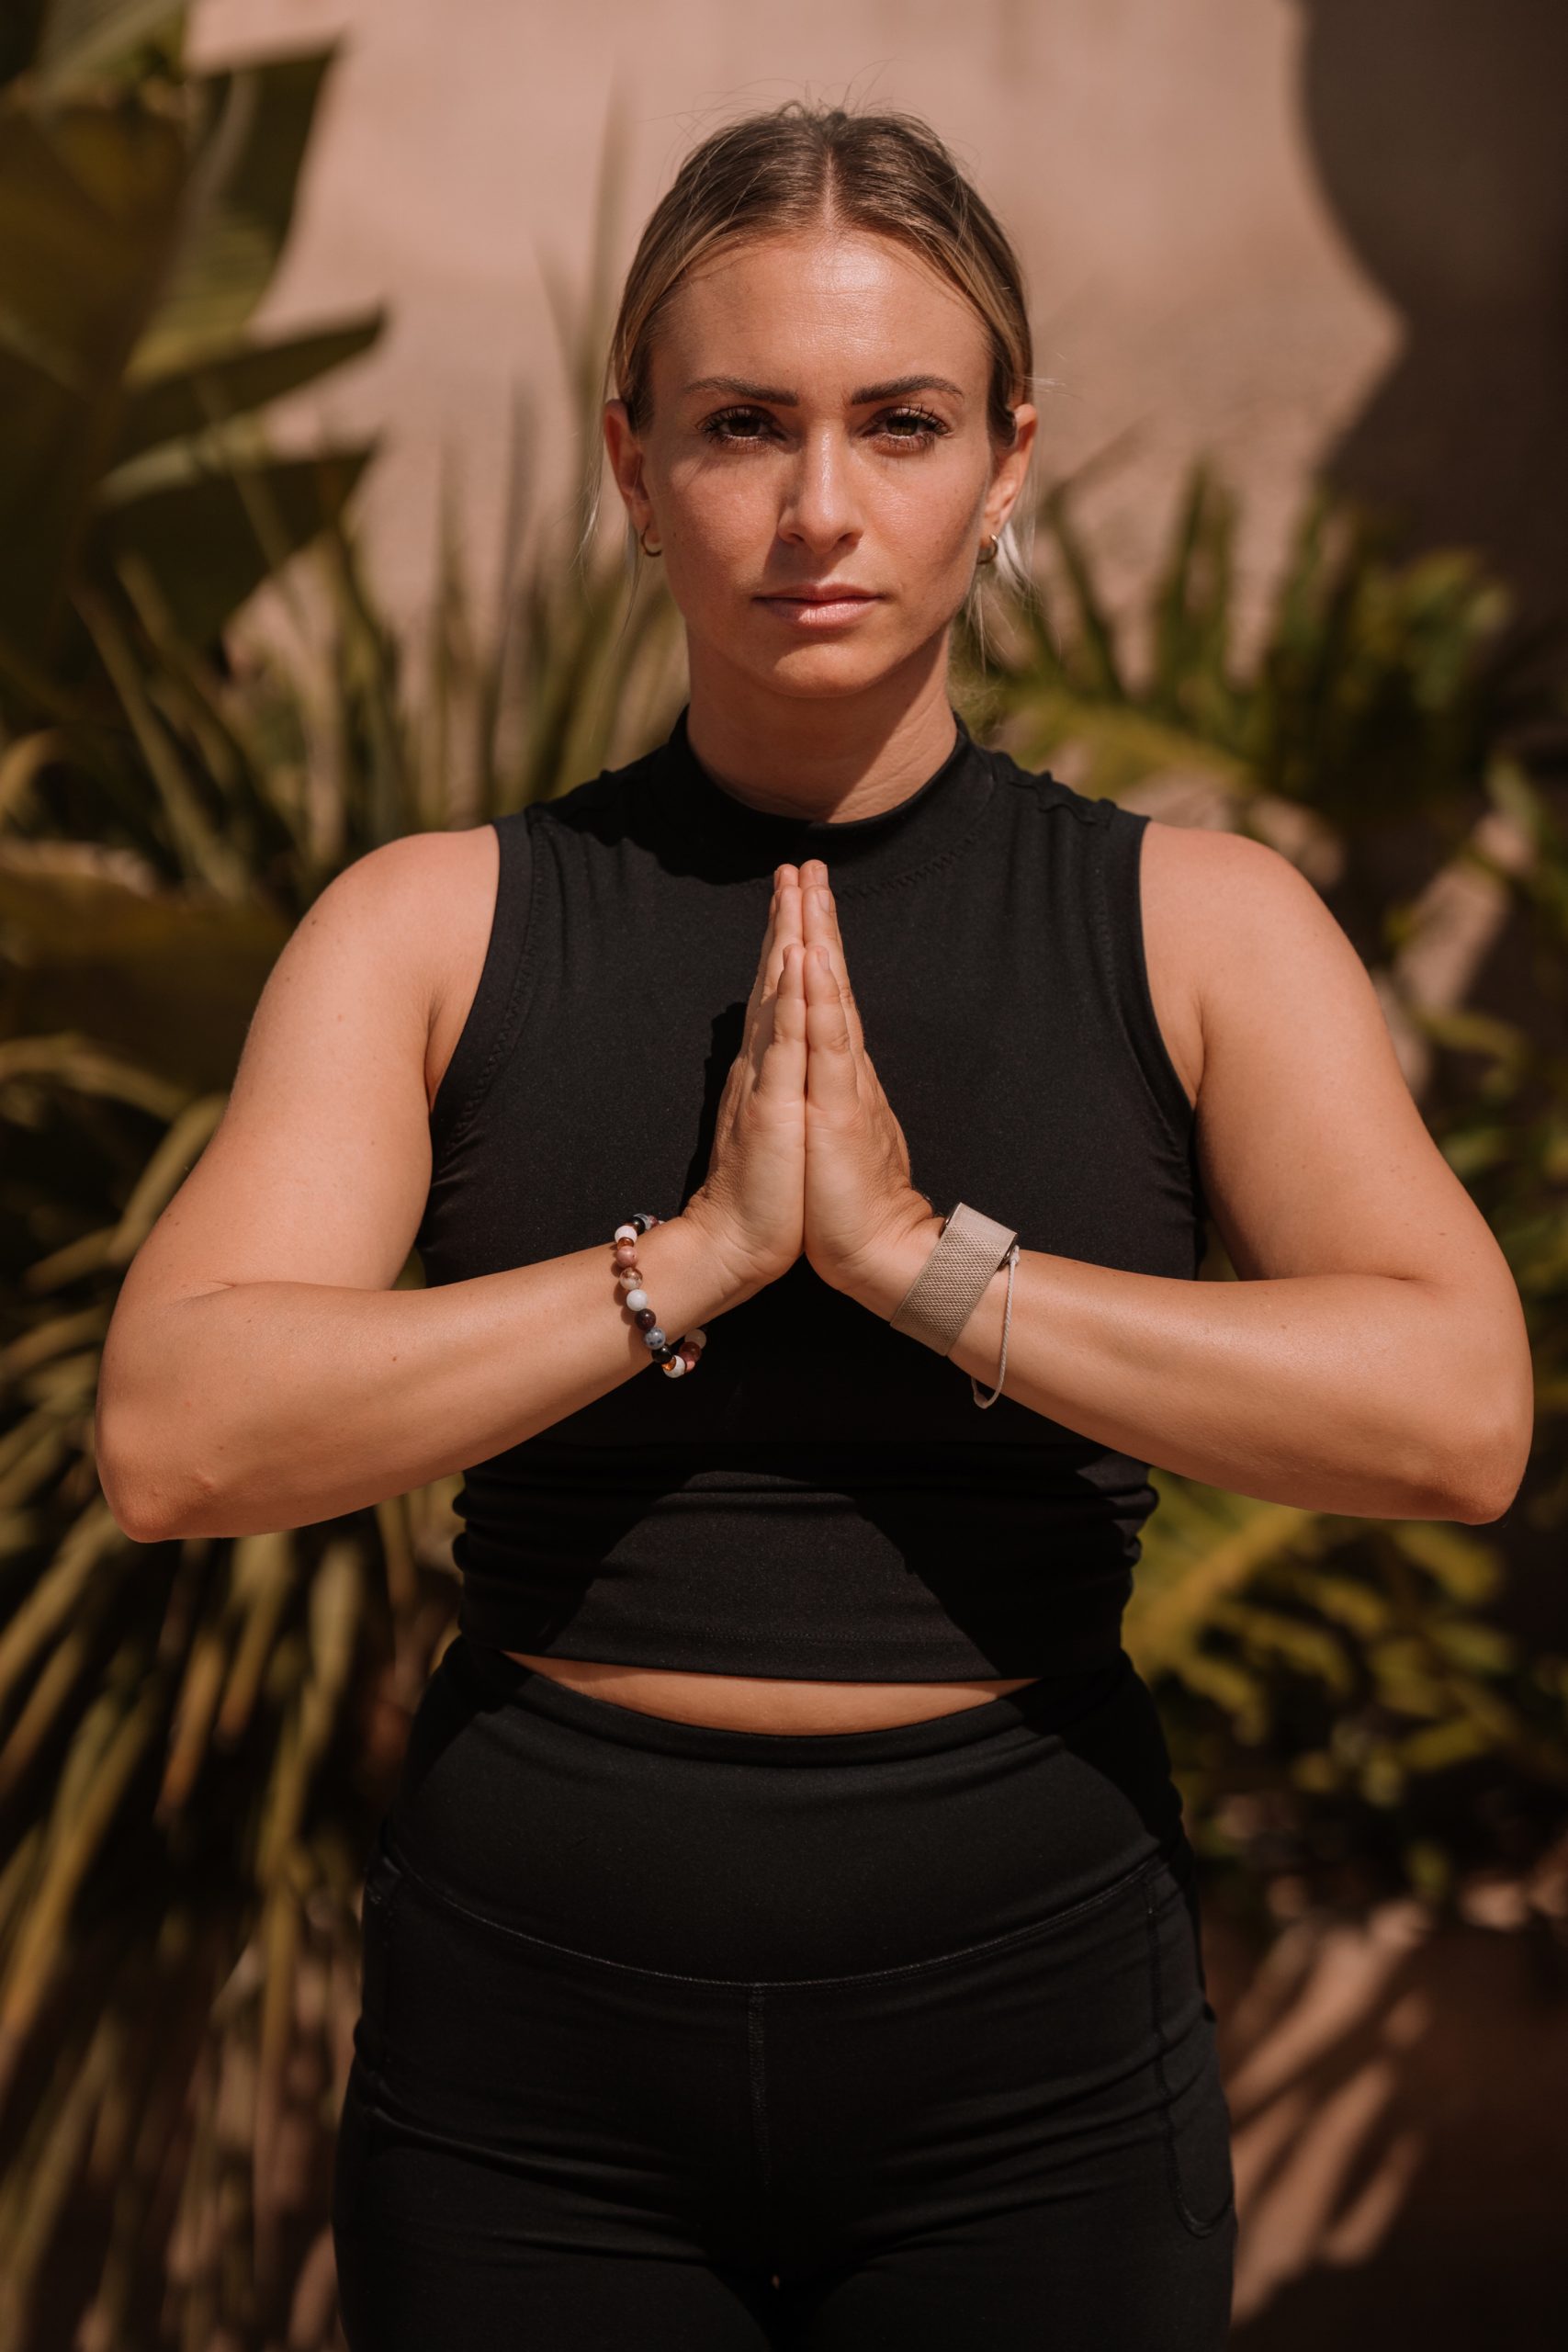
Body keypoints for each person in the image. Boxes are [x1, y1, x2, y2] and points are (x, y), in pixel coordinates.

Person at [96, 99, 1532, 2352]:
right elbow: (175, 1432)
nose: (820, 508)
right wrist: (682, 1263)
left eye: (902, 422)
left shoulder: (1195, 928)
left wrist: (911, 1263)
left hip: (1031, 2063)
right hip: (531, 2065)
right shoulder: (434, 928)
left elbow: (1453, 1414)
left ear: (1008, 454)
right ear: (631, 462)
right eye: (743, 425)